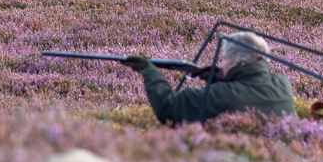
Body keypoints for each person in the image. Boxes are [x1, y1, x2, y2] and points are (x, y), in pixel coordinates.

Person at [126, 31, 297, 126]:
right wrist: (218, 78)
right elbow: (249, 92)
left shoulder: (221, 94)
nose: (222, 64)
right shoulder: (282, 83)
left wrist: (149, 71)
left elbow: (166, 108)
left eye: (225, 60)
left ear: (236, 61)